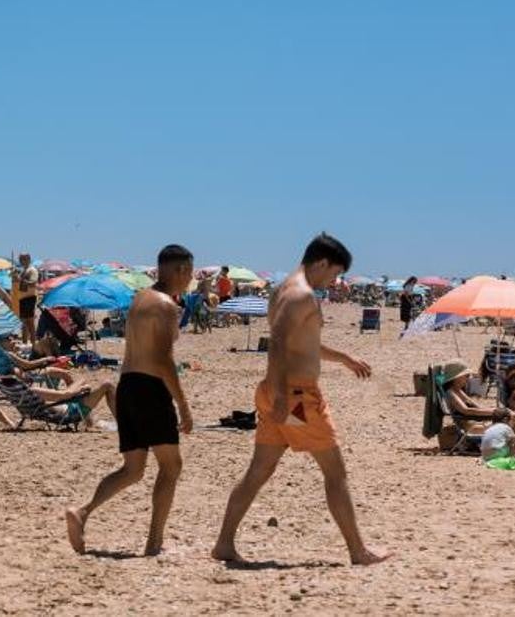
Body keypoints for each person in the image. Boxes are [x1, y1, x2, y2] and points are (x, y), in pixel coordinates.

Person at [213, 233, 390, 566]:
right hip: (294, 397)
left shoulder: (282, 291)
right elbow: (278, 343)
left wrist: (344, 358)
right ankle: (358, 550)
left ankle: (224, 544)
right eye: (334, 273)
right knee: (335, 472)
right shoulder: (302, 295)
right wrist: (282, 394)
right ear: (321, 263)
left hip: (276, 392)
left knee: (258, 472)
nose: (334, 281)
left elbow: (301, 344)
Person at [66, 244, 194, 557]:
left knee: (133, 469)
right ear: (178, 271)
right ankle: (154, 542)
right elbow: (164, 360)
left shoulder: (140, 298)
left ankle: (83, 512)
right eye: (189, 272)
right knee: (171, 465)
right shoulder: (166, 306)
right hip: (151, 389)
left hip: (128, 386)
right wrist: (183, 404)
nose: (190, 279)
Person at [13, 254, 39, 343]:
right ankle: (25, 343)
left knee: (29, 323)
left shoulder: (32, 270)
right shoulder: (24, 270)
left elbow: (33, 282)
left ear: (28, 259)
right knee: (24, 323)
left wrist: (19, 279)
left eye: (23, 259)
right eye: (20, 259)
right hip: (23, 299)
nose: (21, 261)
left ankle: (33, 343)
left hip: (29, 298)